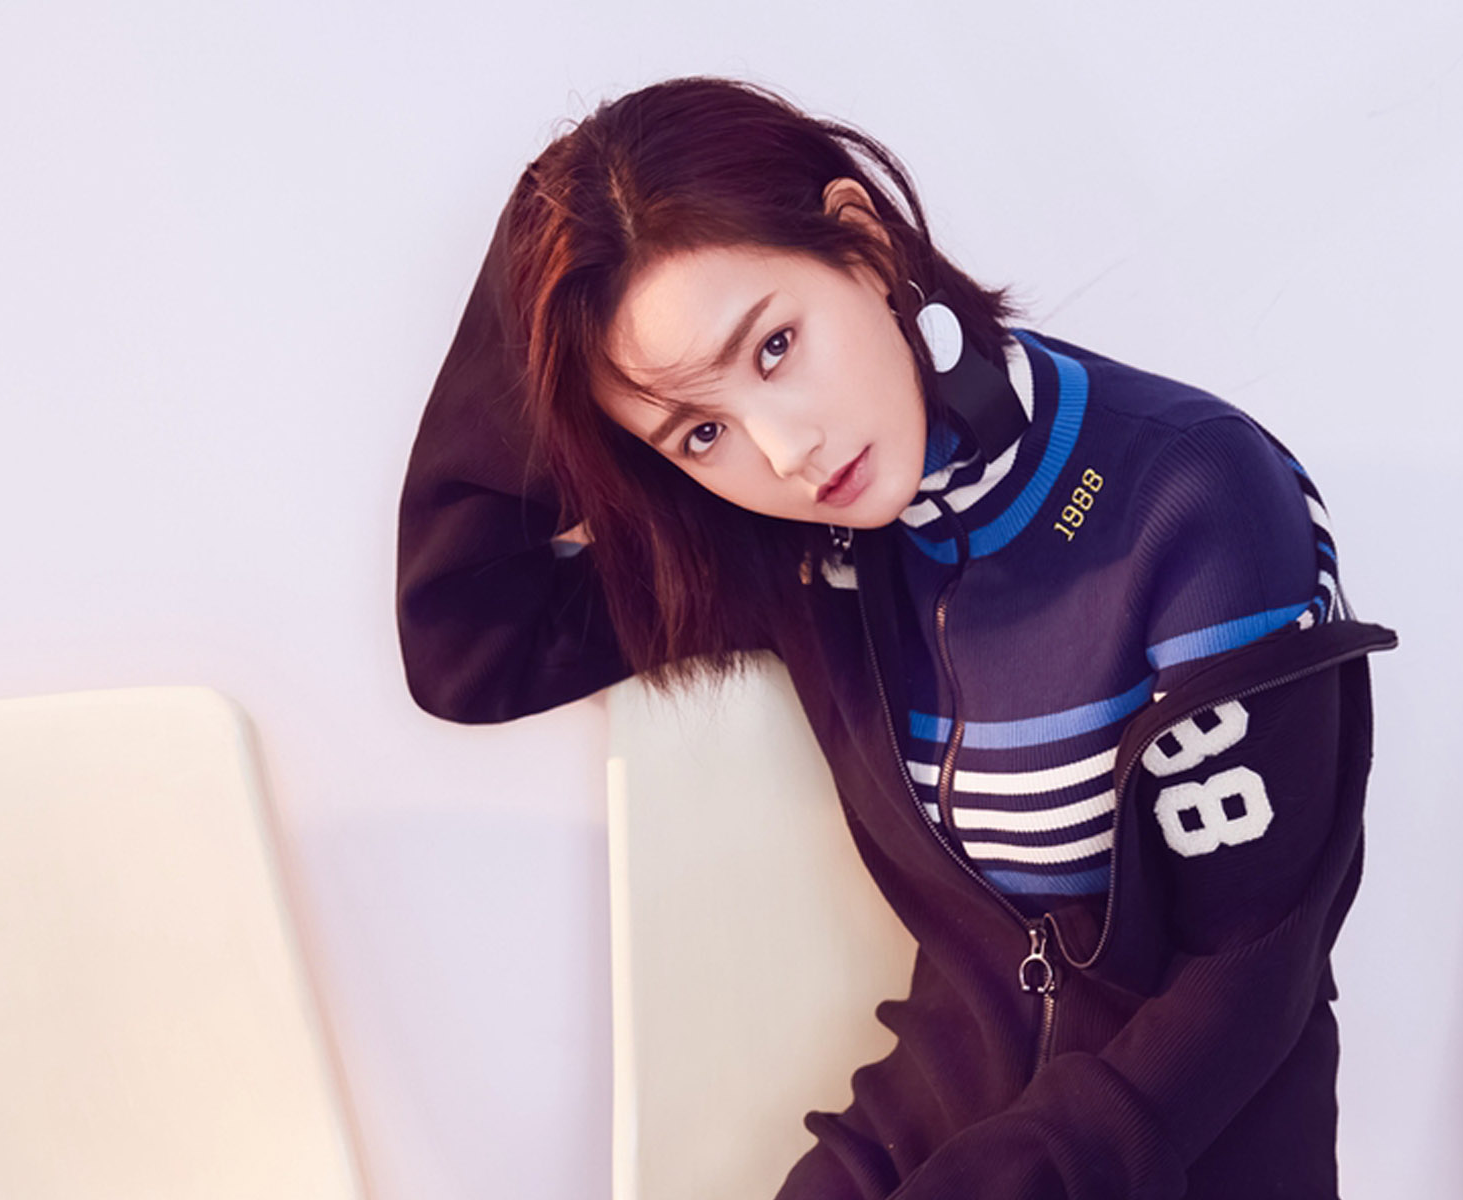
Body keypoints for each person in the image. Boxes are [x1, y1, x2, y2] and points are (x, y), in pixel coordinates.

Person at [394, 74, 1397, 1199]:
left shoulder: (1188, 493)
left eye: (775, 346)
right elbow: (464, 645)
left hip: (1178, 1161)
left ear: (863, 246)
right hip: (918, 1134)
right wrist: (559, 242)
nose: (785, 452)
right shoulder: (787, 547)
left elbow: (1249, 975)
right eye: (700, 431)